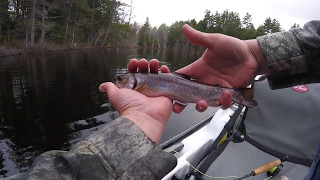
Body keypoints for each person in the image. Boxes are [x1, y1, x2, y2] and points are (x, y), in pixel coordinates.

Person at [5, 20, 319, 179]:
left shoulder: (139, 81)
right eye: (121, 81)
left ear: (131, 81)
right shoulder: (139, 85)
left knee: (203, 94)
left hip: (200, 89)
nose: (121, 83)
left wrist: (257, 53)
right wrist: (256, 54)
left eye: (122, 81)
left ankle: (239, 96)